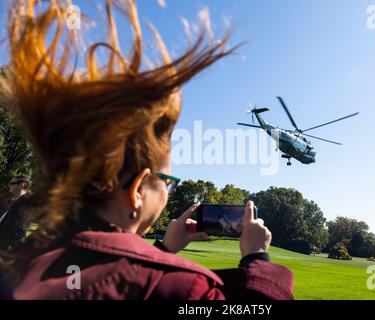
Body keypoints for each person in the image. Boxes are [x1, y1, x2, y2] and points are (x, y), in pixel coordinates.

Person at [1, 0, 294, 300]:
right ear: (137, 189)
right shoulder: (184, 288)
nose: (168, 188)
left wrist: (163, 250)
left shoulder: (18, 263)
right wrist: (257, 260)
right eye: (167, 180)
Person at [0, 176, 32, 252]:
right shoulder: (11, 200)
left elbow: (20, 231)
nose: (10, 185)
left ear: (22, 185)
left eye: (13, 183)